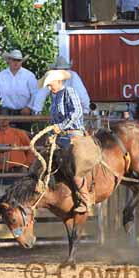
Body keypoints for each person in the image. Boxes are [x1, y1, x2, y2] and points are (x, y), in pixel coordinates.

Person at [43, 69, 92, 213]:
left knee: (73, 165)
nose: (49, 87)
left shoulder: (69, 91)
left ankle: (85, 198)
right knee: (44, 159)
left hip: (73, 134)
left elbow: (77, 112)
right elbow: (54, 121)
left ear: (59, 81)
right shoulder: (55, 97)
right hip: (61, 136)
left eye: (50, 84)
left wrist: (61, 127)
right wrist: (52, 133)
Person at [0, 49, 37, 129]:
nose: (16, 62)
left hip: (24, 111)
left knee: (24, 137)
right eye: (14, 60)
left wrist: (29, 107)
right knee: (5, 136)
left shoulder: (29, 76)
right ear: (9, 60)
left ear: (21, 62)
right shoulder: (1, 75)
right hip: (6, 111)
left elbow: (35, 93)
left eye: (18, 60)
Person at [0, 108, 34, 173]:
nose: (4, 120)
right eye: (1, 118)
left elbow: (31, 149)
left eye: (6, 117)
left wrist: (26, 166)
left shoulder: (19, 133)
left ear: (9, 119)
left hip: (19, 171)